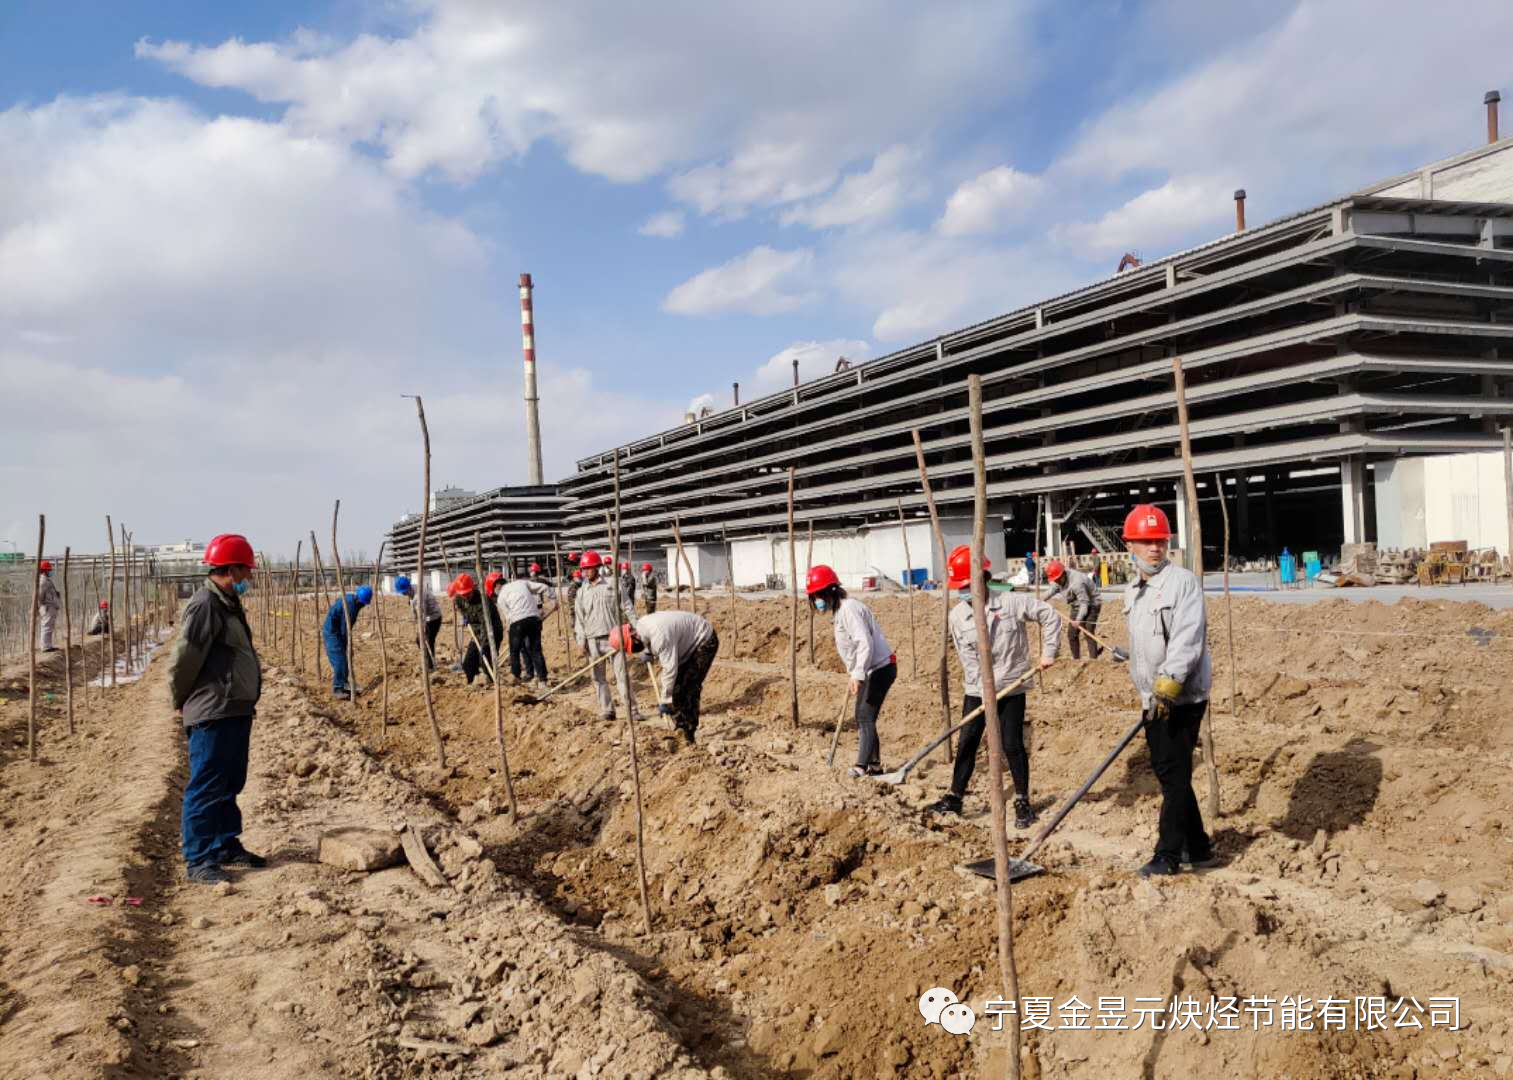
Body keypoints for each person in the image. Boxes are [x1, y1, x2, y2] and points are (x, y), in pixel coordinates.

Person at [928, 546, 1060, 828]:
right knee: (967, 741)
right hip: (977, 689)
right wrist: (984, 691)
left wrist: (1048, 652)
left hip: (1012, 686)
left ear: (983, 578)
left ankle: (1022, 800)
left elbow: (1050, 615)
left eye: (967, 586)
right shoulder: (957, 616)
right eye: (960, 587)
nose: (964, 592)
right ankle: (955, 796)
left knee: (1012, 743)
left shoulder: (1011, 603)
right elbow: (967, 659)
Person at [1121, 503, 1216, 877]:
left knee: (1174, 775)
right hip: (1152, 697)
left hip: (1181, 695)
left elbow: (1187, 638)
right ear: (1130, 545)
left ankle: (1168, 855)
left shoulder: (1183, 583)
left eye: (1160, 541)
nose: (1154, 548)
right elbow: (1147, 640)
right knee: (1168, 772)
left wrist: (1168, 684)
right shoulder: (1133, 590)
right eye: (1146, 542)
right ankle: (1198, 845)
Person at [166, 533, 264, 885]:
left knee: (229, 782)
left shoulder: (227, 603)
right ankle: (199, 858)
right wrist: (179, 700)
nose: (249, 577)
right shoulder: (206, 604)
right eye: (246, 570)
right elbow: (184, 660)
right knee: (207, 785)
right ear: (231, 570)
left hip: (234, 709)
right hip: (213, 710)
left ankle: (225, 845)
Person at [806, 564, 895, 777]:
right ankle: (874, 765)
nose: (817, 600)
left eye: (818, 595)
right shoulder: (840, 612)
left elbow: (864, 642)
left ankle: (861, 766)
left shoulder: (849, 609)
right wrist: (854, 672)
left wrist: (858, 674)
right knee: (863, 716)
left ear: (830, 591)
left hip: (881, 667)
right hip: (871, 668)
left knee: (865, 716)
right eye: (814, 596)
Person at [610, 611, 718, 744]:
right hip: (685, 641)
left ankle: (688, 733)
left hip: (704, 639)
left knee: (689, 687)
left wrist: (665, 700)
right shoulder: (641, 626)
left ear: (633, 637)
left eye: (630, 648)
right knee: (677, 687)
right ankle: (680, 727)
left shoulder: (660, 637)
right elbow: (648, 639)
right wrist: (648, 651)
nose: (632, 651)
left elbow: (670, 670)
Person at [573, 552, 621, 719]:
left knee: (621, 675)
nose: (585, 572)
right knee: (598, 678)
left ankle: (633, 710)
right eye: (583, 569)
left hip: (614, 636)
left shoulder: (612, 584)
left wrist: (635, 628)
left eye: (589, 568)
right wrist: (581, 641)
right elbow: (579, 620)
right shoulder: (581, 592)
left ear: (597, 567)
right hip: (593, 640)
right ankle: (607, 710)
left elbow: (627, 607)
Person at [498, 574, 554, 688]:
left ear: (497, 586)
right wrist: (553, 598)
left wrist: (512, 632)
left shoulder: (501, 597)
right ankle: (542, 680)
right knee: (536, 650)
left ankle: (516, 677)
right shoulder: (522, 583)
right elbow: (543, 587)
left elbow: (508, 617)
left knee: (514, 651)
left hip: (517, 621)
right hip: (534, 619)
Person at [451, 573, 503, 687]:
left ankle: (492, 683)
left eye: (467, 593)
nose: (465, 596)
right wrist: (465, 616)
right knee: (468, 664)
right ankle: (473, 684)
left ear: (473, 588)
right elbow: (460, 607)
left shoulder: (483, 602)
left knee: (485, 661)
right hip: (476, 632)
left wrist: (484, 645)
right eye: (463, 594)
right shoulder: (459, 598)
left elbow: (486, 625)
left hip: (492, 632)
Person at [1045, 559, 1102, 659]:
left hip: (1092, 603)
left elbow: (1084, 603)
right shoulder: (1058, 579)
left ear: (1063, 574)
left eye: (1058, 579)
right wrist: (1039, 600)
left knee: (1088, 630)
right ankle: (1076, 660)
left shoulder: (1076, 582)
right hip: (1076, 605)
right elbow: (1051, 590)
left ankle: (1093, 660)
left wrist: (1078, 619)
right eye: (1055, 580)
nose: (1056, 582)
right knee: (1072, 634)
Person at [322, 584, 373, 697]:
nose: (364, 606)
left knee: (343, 660)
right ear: (360, 601)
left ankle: (344, 683)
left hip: (336, 631)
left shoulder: (352, 600)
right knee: (340, 660)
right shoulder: (351, 606)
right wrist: (347, 645)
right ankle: (338, 688)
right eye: (364, 603)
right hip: (332, 632)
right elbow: (345, 628)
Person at [395, 574, 442, 671]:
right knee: (419, 640)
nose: (403, 594)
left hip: (433, 618)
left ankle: (430, 666)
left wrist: (422, 629)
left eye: (404, 592)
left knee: (428, 640)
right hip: (426, 617)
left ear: (408, 587)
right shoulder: (411, 590)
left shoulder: (419, 596)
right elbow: (414, 608)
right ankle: (428, 661)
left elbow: (422, 613)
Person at [37, 560, 62, 651]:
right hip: (47, 607)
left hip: (50, 607)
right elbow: (40, 596)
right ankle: (45, 647)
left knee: (49, 627)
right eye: (49, 570)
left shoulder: (46, 580)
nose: (50, 571)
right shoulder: (42, 581)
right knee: (46, 627)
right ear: (44, 570)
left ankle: (48, 645)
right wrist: (41, 606)